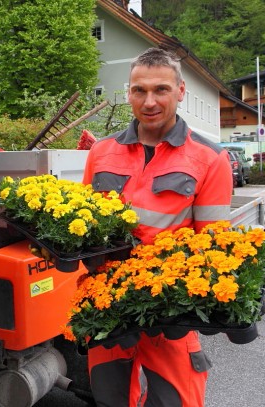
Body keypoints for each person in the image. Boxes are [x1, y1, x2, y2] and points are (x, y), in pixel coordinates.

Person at [82, 47, 233, 407]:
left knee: (176, 401)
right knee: (110, 398)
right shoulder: (101, 153)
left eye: (161, 90)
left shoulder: (209, 159)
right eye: (139, 90)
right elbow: (86, 228)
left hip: (169, 312)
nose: (149, 101)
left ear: (181, 91)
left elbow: (211, 245)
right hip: (109, 305)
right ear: (128, 92)